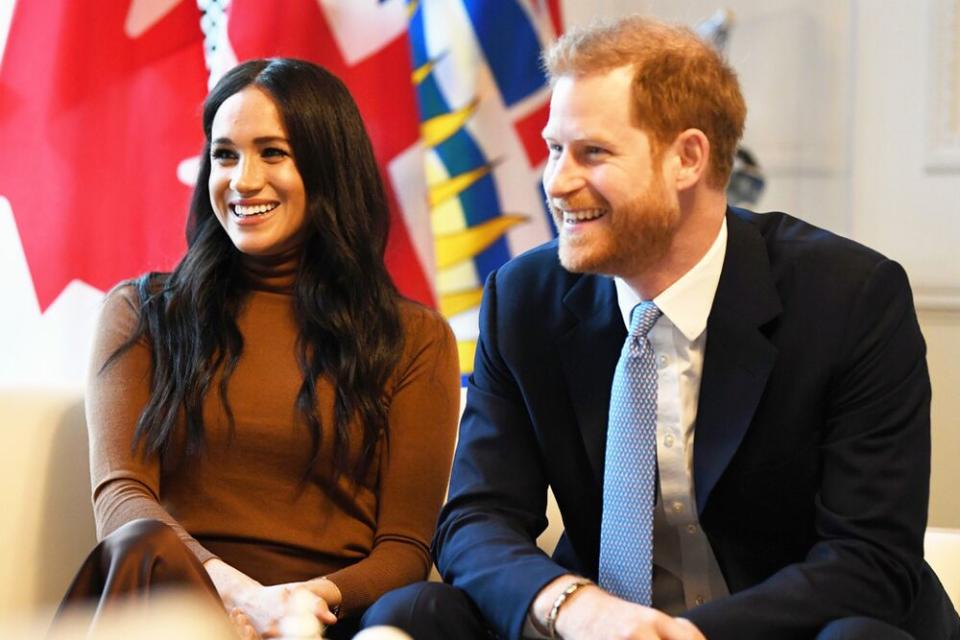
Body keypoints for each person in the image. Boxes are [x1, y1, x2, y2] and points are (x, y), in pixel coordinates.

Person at [363, 16, 960, 640]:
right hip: (602, 627)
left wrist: (681, 637)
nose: (558, 183)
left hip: (788, 630)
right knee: (411, 614)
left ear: (688, 158)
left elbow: (870, 561)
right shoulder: (524, 299)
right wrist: (575, 606)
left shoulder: (850, 297)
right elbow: (476, 519)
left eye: (592, 152)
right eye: (553, 149)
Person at [58, 58, 460, 639]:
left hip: (326, 620)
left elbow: (403, 546)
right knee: (141, 544)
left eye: (272, 153)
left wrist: (299, 607)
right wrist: (243, 600)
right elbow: (122, 497)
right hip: (180, 608)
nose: (242, 180)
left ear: (329, 168)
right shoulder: (142, 312)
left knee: (426, 610)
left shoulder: (413, 338)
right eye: (225, 155)